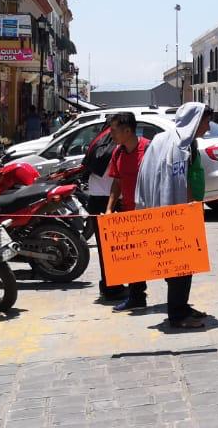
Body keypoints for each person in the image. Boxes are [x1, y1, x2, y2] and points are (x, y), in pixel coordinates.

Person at [131, 102, 213, 329]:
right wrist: (186, 210)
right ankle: (178, 314)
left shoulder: (164, 140)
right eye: (206, 122)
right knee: (181, 265)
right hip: (176, 214)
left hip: (172, 211)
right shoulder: (179, 146)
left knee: (183, 265)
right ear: (196, 120)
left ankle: (182, 306)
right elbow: (177, 181)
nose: (207, 128)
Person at [106, 112, 151, 312]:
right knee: (133, 259)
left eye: (114, 130)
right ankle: (136, 296)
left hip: (150, 212)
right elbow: (117, 182)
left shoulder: (149, 149)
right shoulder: (118, 153)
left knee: (160, 256)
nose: (111, 134)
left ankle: (176, 300)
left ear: (128, 130)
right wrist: (109, 208)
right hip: (128, 213)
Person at [83, 116, 124, 302]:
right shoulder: (117, 145)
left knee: (105, 248)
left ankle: (108, 286)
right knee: (116, 248)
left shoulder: (98, 141)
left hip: (95, 197)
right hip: (111, 199)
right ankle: (112, 288)